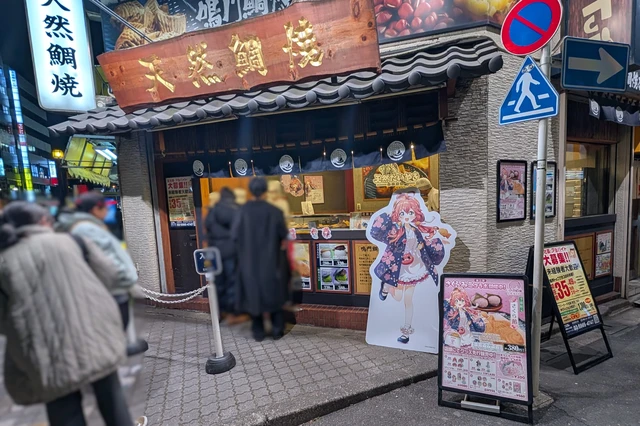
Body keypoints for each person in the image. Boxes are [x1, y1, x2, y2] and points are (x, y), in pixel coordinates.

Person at [0, 202, 146, 426]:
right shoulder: (72, 242)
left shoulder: (5, 260)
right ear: (42, 221)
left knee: (64, 411)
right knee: (113, 403)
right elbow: (112, 276)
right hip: (93, 335)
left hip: (46, 351)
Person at [369, 193, 452, 344]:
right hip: (396, 265)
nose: (407, 216)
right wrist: (388, 214)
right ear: (397, 215)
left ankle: (406, 332)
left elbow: (431, 239)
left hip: (414, 267)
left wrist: (426, 244)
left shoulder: (417, 229)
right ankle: (385, 287)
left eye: (410, 212)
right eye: (402, 213)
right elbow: (375, 232)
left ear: (416, 213)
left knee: (408, 300)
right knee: (397, 293)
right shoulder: (394, 230)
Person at [57, 192, 138, 330]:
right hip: (108, 289)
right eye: (105, 208)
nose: (107, 211)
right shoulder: (87, 229)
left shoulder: (83, 226)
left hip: (99, 288)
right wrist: (126, 277)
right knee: (113, 333)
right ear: (95, 209)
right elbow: (105, 259)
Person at [233, 177, 289, 341]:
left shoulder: (241, 212)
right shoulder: (274, 211)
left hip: (249, 263)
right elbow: (284, 236)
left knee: (253, 297)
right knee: (274, 295)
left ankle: (258, 333)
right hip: (271, 262)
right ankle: (277, 330)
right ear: (265, 191)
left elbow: (234, 236)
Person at [205, 187, 246, 324]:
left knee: (219, 282)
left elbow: (207, 226)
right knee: (232, 282)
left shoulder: (213, 211)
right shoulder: (233, 210)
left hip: (215, 252)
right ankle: (233, 313)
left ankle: (220, 312)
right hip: (230, 251)